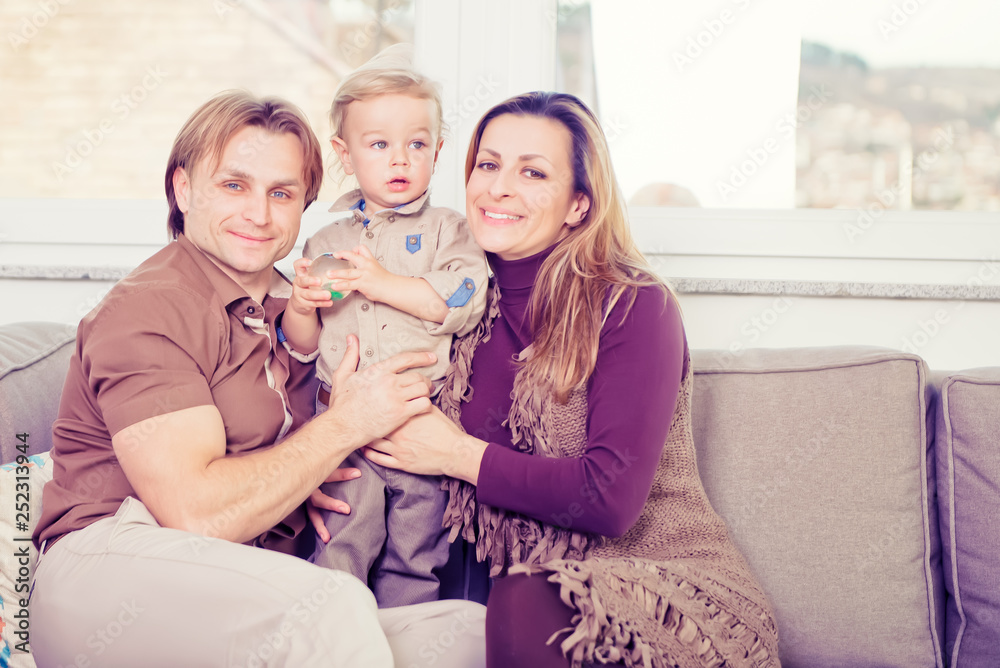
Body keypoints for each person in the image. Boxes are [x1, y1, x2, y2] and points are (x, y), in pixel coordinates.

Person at [30, 90, 485, 668]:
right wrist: (343, 429)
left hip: (246, 576)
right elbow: (197, 513)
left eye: (282, 193)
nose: (259, 215)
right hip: (113, 562)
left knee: (470, 634)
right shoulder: (148, 310)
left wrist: (308, 472)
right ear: (183, 188)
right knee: (328, 607)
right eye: (234, 185)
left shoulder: (306, 302)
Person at [356, 92, 781, 667]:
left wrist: (455, 453)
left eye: (532, 172)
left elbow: (609, 499)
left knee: (527, 597)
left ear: (578, 204)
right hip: (511, 601)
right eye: (488, 164)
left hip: (661, 591)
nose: (499, 188)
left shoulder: (632, 305)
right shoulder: (446, 307)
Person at [283, 46, 488, 608]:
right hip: (344, 429)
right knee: (342, 539)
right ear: (346, 156)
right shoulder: (324, 242)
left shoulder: (450, 231)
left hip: (422, 427)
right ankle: (332, 633)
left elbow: (463, 296)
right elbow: (301, 348)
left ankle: (407, 635)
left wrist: (377, 282)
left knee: (415, 554)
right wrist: (301, 308)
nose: (400, 160)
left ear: (438, 152)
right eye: (379, 145)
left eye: (416, 144)